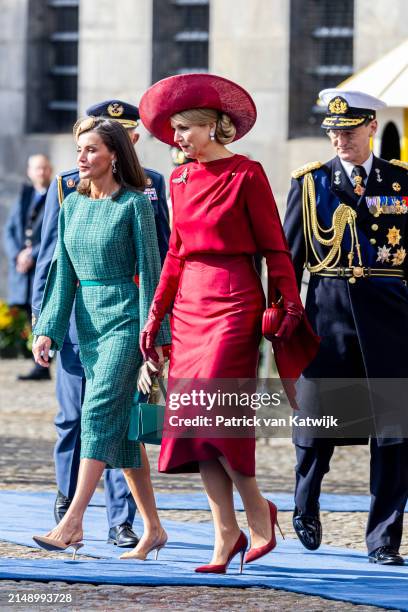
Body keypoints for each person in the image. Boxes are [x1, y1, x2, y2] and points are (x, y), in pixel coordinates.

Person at [137, 73, 319, 572]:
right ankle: (227, 534)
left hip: (236, 303)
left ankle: (259, 515)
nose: (176, 139)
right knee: (196, 426)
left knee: (220, 418)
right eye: (173, 130)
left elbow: (274, 248)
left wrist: (289, 304)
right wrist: (156, 317)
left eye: (184, 129)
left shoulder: (248, 173)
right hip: (190, 307)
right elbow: (174, 255)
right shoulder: (177, 179)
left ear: (213, 127)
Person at [31, 100, 170, 548]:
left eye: (91, 150)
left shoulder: (135, 205)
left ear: (113, 154)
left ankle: (73, 522)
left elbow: (152, 274)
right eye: (78, 150)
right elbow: (62, 274)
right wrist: (46, 327)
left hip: (125, 323)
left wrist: (158, 340)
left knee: (95, 413)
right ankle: (154, 528)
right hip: (86, 327)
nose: (81, 158)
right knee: (126, 433)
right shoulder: (71, 205)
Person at [284, 89, 408, 565]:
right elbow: (288, 260)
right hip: (328, 319)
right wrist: (285, 320)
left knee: (396, 436)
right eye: (333, 131)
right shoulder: (312, 183)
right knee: (318, 428)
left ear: (371, 127)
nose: (340, 139)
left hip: (392, 324)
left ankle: (383, 541)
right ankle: (305, 502)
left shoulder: (399, 182)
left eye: (349, 131)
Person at [3, 154, 53, 380]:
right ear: (29, 172)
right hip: (23, 270)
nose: (40, 172)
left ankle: (42, 365)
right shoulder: (24, 196)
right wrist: (17, 255)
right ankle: (38, 362)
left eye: (44, 168)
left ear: (49, 170)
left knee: (41, 314)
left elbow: (53, 234)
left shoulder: (56, 195)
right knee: (28, 313)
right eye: (36, 168)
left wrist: (31, 253)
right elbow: (10, 230)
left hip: (40, 267)